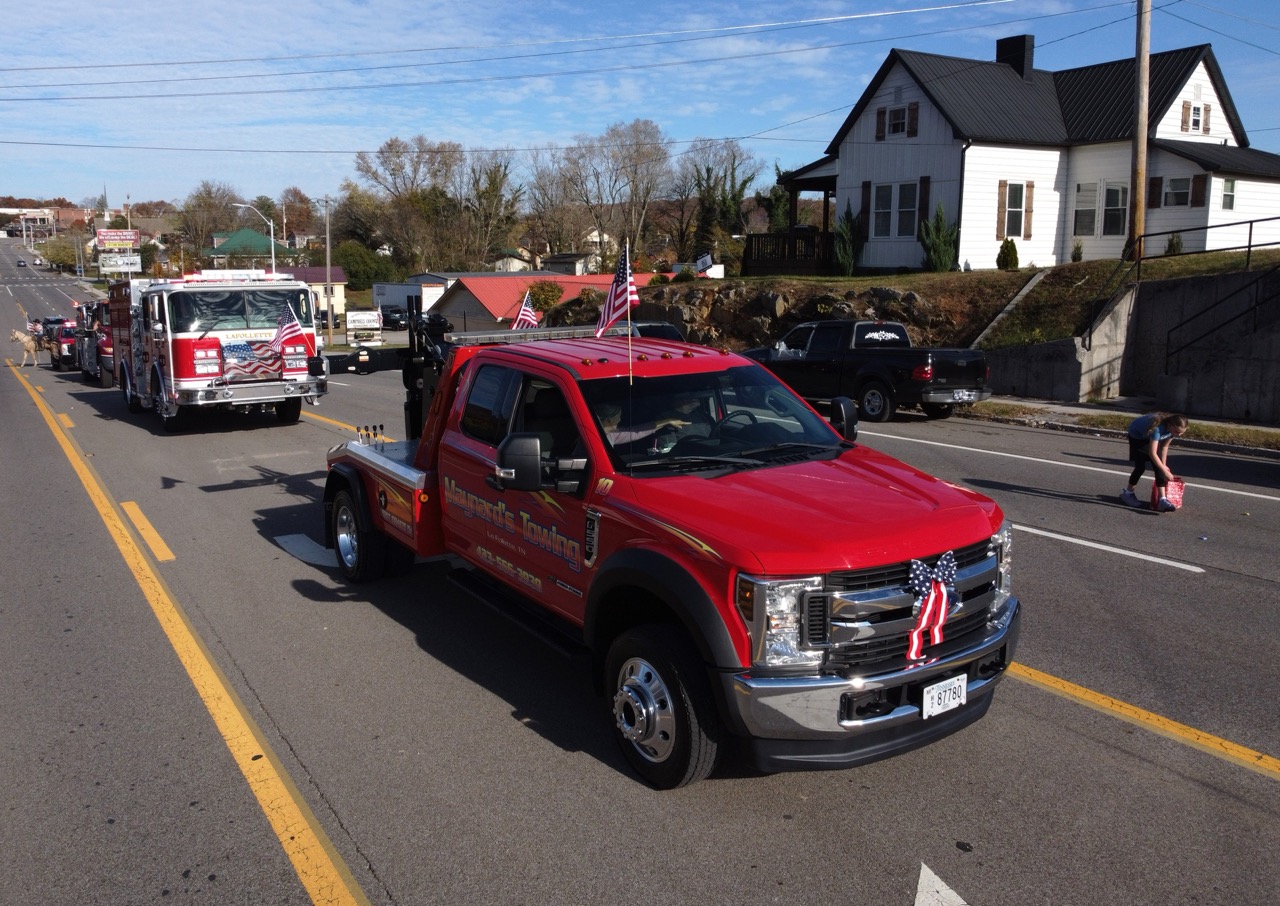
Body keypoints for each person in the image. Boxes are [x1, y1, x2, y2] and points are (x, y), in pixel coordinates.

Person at [1121, 412, 1188, 511]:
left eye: (1181, 433)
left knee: (1159, 467)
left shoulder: (1173, 431)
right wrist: (1165, 471)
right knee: (1140, 467)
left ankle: (1162, 500)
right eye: (1177, 432)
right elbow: (1152, 453)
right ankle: (1128, 493)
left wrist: (1164, 466)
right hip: (1137, 436)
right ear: (1170, 425)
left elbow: (1164, 446)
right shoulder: (1158, 429)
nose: (1178, 435)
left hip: (1148, 435)